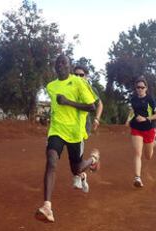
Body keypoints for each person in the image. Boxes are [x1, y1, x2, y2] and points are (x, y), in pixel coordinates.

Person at [35, 54, 100, 223]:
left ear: (69, 66)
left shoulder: (79, 82)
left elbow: (92, 106)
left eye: (64, 63)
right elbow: (56, 109)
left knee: (76, 169)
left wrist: (68, 102)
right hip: (56, 131)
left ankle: (92, 160)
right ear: (54, 67)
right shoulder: (51, 86)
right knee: (51, 161)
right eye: (57, 63)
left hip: (75, 133)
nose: (60, 65)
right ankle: (47, 206)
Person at [71, 65, 103, 192]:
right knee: (73, 156)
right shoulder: (70, 88)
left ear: (86, 76)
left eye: (81, 75)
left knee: (77, 153)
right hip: (69, 125)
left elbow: (99, 104)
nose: (78, 77)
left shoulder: (90, 88)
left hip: (83, 125)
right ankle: (83, 173)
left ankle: (79, 175)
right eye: (76, 74)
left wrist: (97, 119)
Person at [125, 77, 156, 188]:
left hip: (149, 129)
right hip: (136, 128)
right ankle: (137, 178)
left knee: (148, 156)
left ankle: (153, 143)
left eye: (142, 87)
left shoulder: (150, 99)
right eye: (138, 87)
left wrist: (146, 118)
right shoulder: (133, 99)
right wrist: (128, 120)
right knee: (137, 153)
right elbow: (132, 111)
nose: (140, 89)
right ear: (135, 88)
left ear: (146, 88)